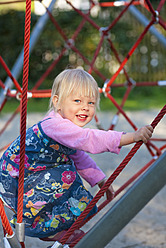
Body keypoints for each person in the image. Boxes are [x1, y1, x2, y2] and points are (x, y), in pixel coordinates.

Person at [0, 69, 153, 243]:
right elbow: (90, 138)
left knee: (68, 172)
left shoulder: (63, 127)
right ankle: (46, 229)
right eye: (77, 100)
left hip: (29, 177)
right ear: (57, 102)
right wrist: (131, 137)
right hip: (16, 181)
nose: (85, 107)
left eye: (91, 102)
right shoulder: (56, 126)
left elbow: (79, 156)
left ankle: (55, 226)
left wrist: (101, 180)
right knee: (66, 175)